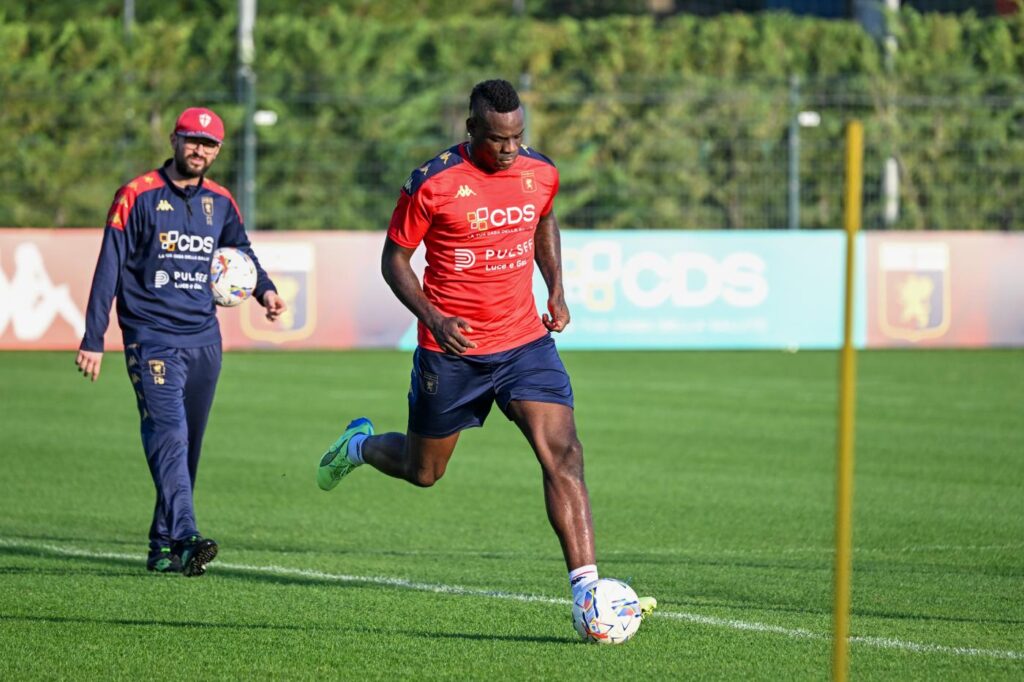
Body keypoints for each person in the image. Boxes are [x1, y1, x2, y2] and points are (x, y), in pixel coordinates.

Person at [315, 79, 654, 624]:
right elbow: (393, 262)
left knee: (564, 454)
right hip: (452, 351)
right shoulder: (432, 184)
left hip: (524, 343)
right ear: (472, 128)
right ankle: (358, 447)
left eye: (518, 136)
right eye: (498, 139)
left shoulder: (540, 172)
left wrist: (556, 289)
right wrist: (434, 318)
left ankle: (587, 592)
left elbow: (544, 219)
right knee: (424, 471)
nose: (511, 148)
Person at [76, 107, 286, 576]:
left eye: (209, 144)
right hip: (151, 337)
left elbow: (242, 252)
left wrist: (265, 290)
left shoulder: (221, 201)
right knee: (168, 433)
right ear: (174, 140)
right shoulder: (137, 195)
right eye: (192, 140)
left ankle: (162, 547)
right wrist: (94, 337)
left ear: (218, 151)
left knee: (187, 446)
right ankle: (188, 537)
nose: (199, 150)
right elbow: (108, 266)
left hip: (204, 339)